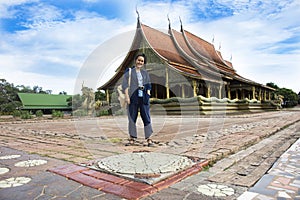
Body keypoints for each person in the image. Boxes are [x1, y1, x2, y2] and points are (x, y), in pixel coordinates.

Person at [121, 53, 154, 147]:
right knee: (132, 118)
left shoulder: (145, 73)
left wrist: (148, 93)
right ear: (135, 60)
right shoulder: (130, 71)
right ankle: (132, 138)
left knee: (146, 118)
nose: (140, 62)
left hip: (143, 98)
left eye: (142, 61)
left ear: (144, 63)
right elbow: (125, 85)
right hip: (133, 98)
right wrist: (127, 96)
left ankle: (149, 138)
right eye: (139, 60)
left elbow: (148, 85)